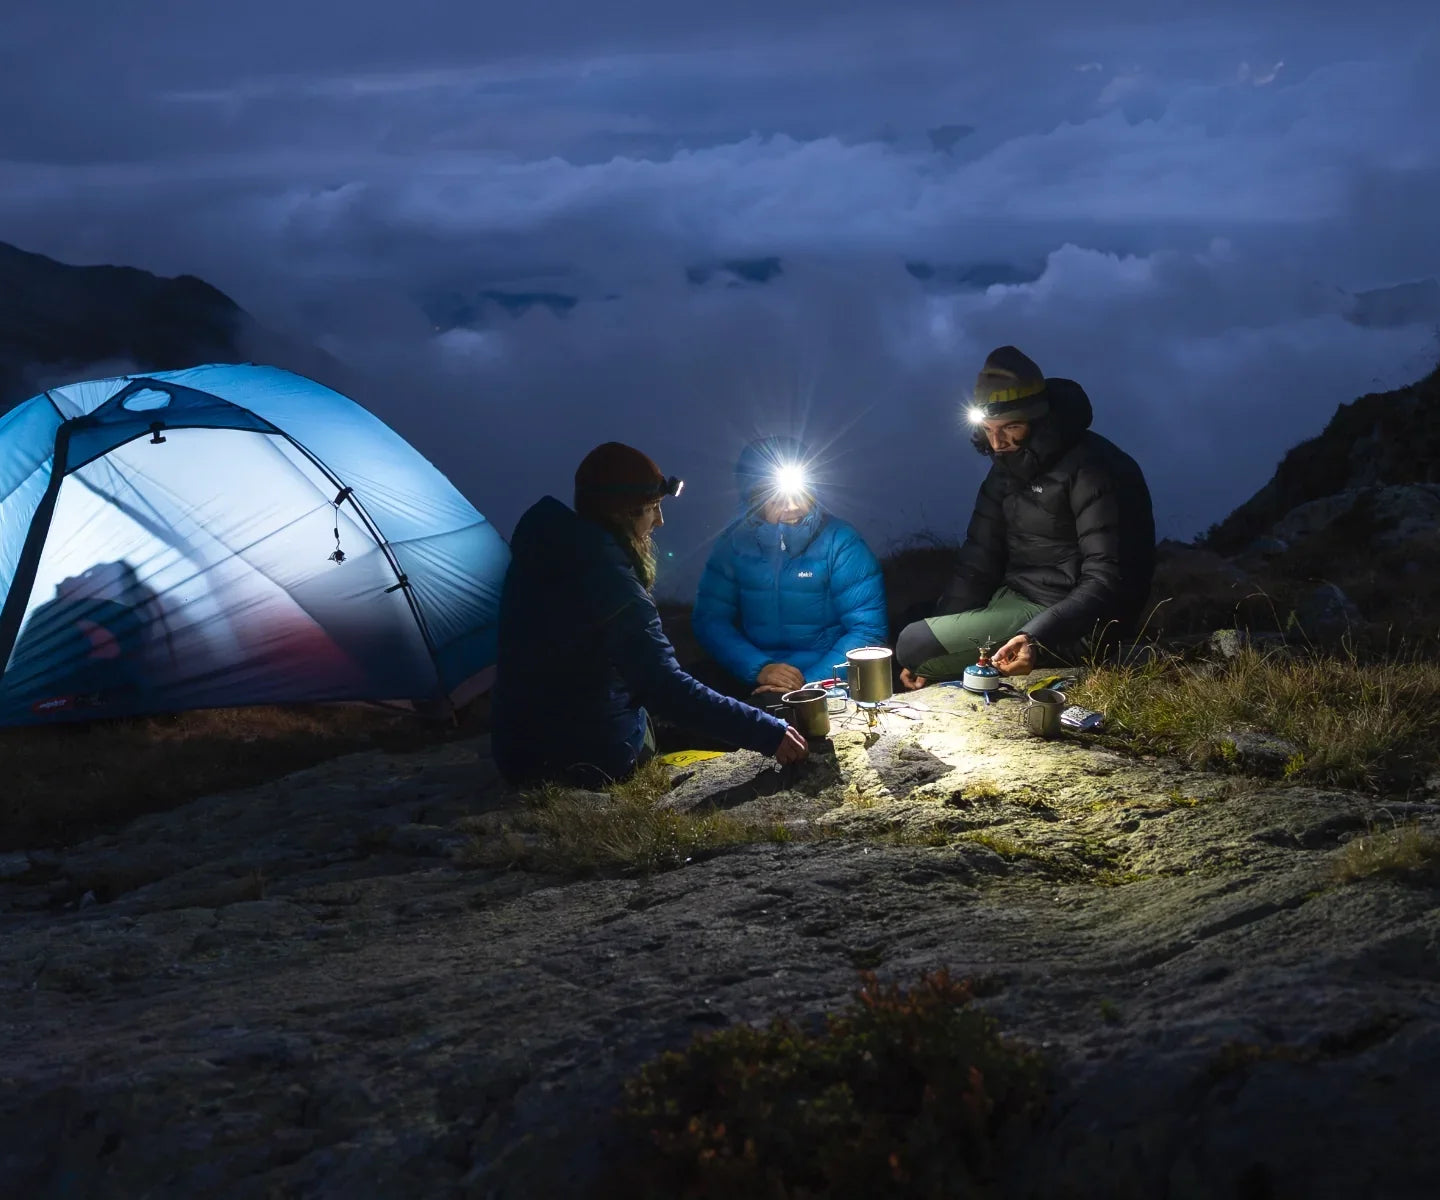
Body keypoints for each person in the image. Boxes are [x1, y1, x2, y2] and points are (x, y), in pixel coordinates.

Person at [491, 441, 809, 787]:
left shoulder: (548, 552)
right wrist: (767, 733)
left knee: (703, 676)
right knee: (724, 704)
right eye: (653, 507)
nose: (660, 520)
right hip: (587, 759)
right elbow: (664, 688)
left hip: (518, 751)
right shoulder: (608, 579)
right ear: (620, 513)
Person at [896, 346, 1155, 688]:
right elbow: (978, 562)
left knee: (912, 641)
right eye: (988, 429)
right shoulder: (1005, 471)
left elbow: (1107, 580)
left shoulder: (1092, 469)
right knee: (913, 624)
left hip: (1075, 617)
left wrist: (1034, 637)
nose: (997, 442)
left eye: (1010, 428)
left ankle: (1044, 653)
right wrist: (936, 647)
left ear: (1037, 420)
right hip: (1015, 597)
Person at [691, 436, 888, 702]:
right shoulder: (734, 545)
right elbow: (710, 620)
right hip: (757, 675)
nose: (793, 506)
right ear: (755, 498)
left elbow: (867, 629)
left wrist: (808, 684)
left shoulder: (841, 541)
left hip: (826, 677)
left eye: (800, 493)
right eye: (777, 498)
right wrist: (759, 667)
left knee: (779, 714)